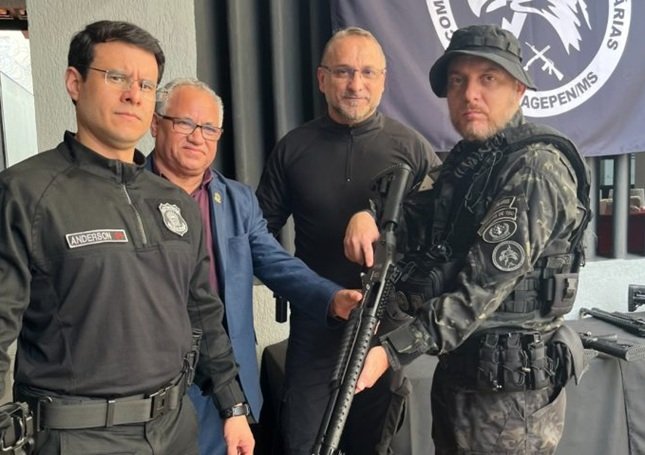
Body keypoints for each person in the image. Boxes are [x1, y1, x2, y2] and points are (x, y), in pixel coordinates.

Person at [0, 20, 254, 454]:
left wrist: (233, 406)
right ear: (74, 82)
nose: (134, 94)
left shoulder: (173, 203)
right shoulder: (25, 193)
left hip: (175, 430)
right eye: (116, 77)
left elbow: (203, 313)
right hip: (78, 438)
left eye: (146, 84)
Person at [345, 24, 591, 454]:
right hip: (462, 379)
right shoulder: (471, 161)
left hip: (510, 401)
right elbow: (414, 215)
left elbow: (477, 292)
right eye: (458, 81)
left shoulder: (536, 168)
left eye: (487, 79)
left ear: (518, 89)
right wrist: (367, 216)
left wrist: (391, 351)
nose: (469, 94)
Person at [147, 77, 363, 455]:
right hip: (152, 381)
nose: (197, 137)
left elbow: (276, 263)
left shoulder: (237, 200)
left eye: (209, 128)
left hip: (224, 383)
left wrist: (332, 299)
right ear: (155, 124)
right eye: (185, 123)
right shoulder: (127, 197)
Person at [256, 26, 441, 454]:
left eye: (367, 72)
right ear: (322, 79)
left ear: (383, 80)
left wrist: (374, 216)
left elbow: (442, 238)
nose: (356, 84)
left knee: (374, 445)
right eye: (343, 72)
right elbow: (257, 237)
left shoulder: (412, 149)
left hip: (385, 331)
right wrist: (312, 292)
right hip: (317, 327)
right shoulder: (293, 149)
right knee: (304, 443)